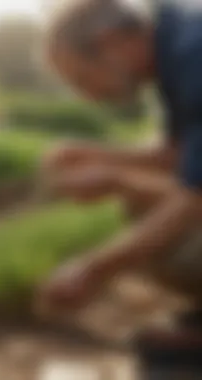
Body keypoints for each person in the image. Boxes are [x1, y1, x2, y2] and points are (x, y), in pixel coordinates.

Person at [38, 0, 202, 343]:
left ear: (111, 42)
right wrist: (96, 156)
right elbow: (181, 154)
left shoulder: (193, 55)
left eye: (83, 79)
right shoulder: (175, 47)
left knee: (164, 232)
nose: (89, 97)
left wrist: (92, 270)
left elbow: (194, 196)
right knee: (142, 207)